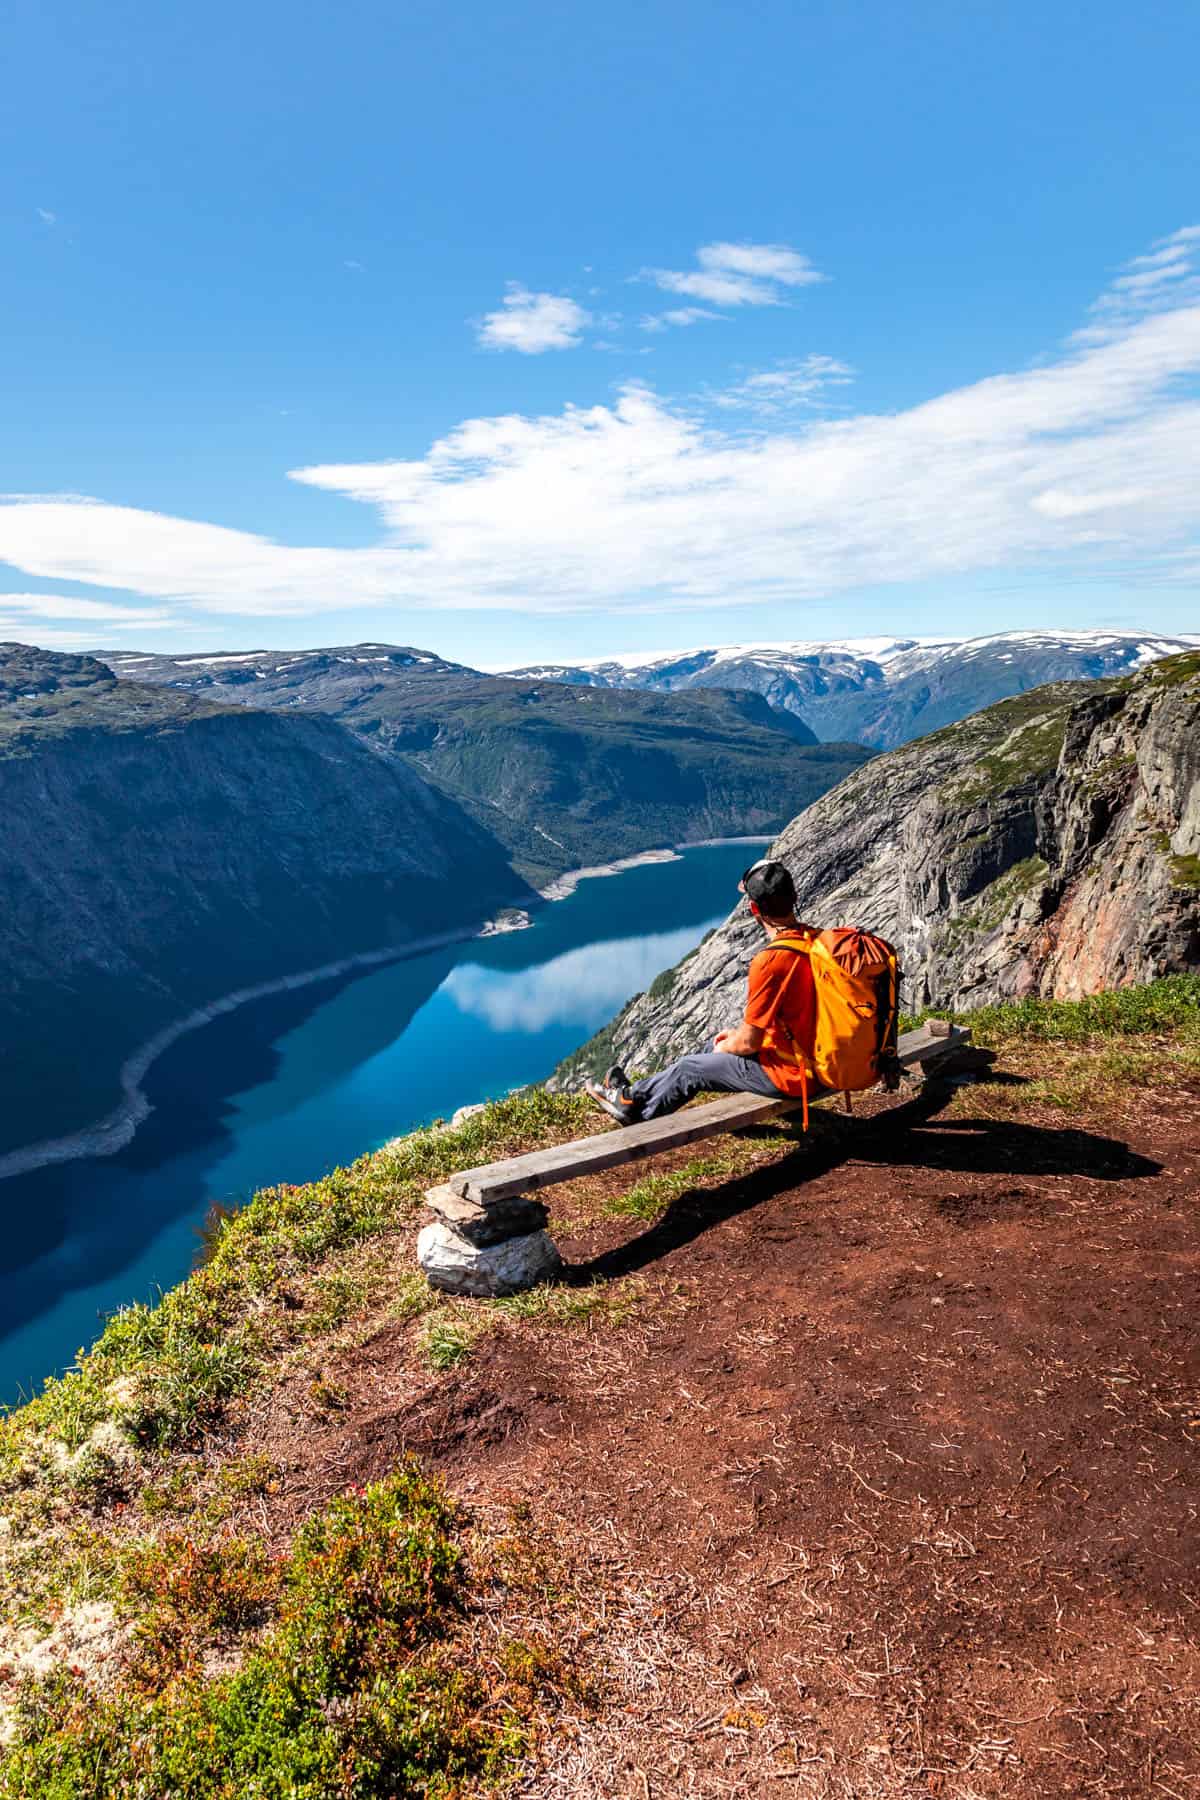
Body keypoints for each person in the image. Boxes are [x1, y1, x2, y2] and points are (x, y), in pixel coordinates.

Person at [585, 858, 821, 1125]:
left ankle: (634, 1108)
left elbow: (749, 1044)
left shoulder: (771, 962)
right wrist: (727, 1041)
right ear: (795, 898)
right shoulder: (819, 942)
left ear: (754, 908)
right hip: (823, 1062)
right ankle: (634, 1099)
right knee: (710, 1046)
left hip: (794, 1075)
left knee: (690, 1068)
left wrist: (729, 1045)